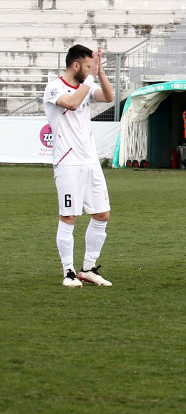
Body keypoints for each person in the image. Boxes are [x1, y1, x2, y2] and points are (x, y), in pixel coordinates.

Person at [45, 44, 115, 287]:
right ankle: (68, 272)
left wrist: (100, 73)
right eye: (87, 66)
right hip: (68, 163)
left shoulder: (88, 84)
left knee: (102, 213)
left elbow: (108, 97)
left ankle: (88, 268)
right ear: (76, 65)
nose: (90, 71)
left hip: (90, 161)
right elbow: (72, 103)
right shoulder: (54, 87)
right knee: (69, 216)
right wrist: (91, 79)